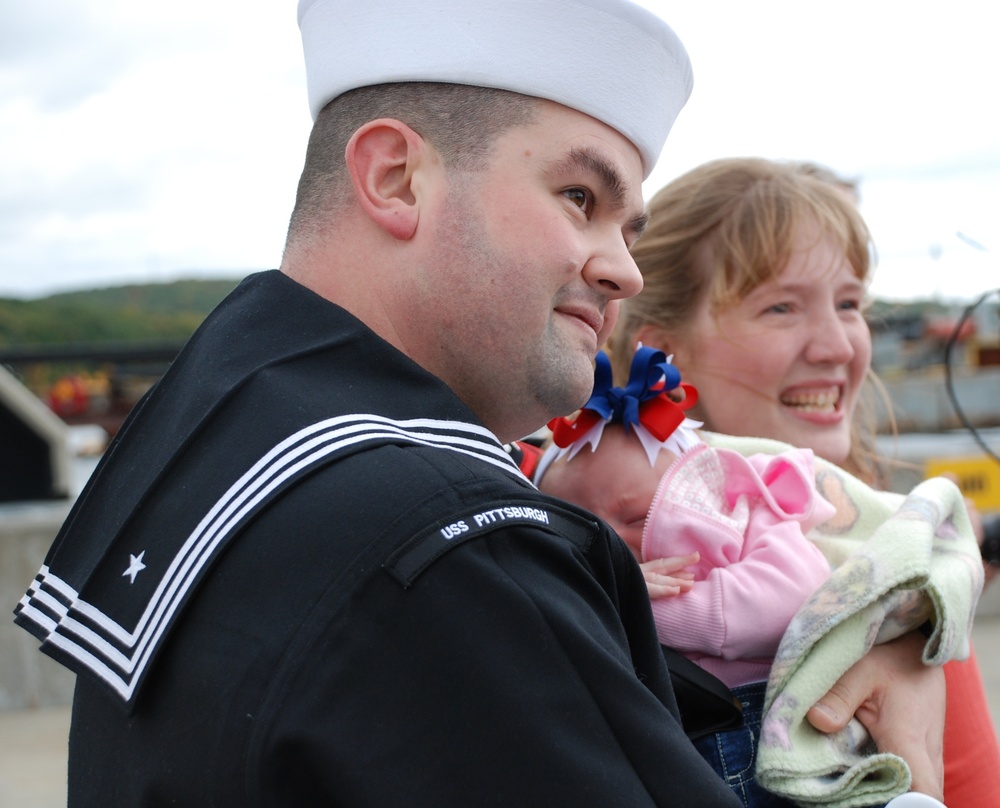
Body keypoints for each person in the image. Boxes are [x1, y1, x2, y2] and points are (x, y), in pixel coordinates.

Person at [11, 4, 946, 804]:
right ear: (394, 177)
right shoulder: (448, 545)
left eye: (627, 226)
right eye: (580, 196)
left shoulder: (224, 421)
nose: (622, 266)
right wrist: (913, 758)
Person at [613, 156, 1000, 807]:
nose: (838, 346)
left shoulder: (904, 583)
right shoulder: (543, 530)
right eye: (781, 307)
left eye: (850, 304)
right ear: (662, 358)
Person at [537, 346, 980, 808]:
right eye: (581, 524)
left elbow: (791, 597)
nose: (609, 544)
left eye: (637, 518)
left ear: (708, 501)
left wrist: (640, 606)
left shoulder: (749, 518)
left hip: (771, 730)